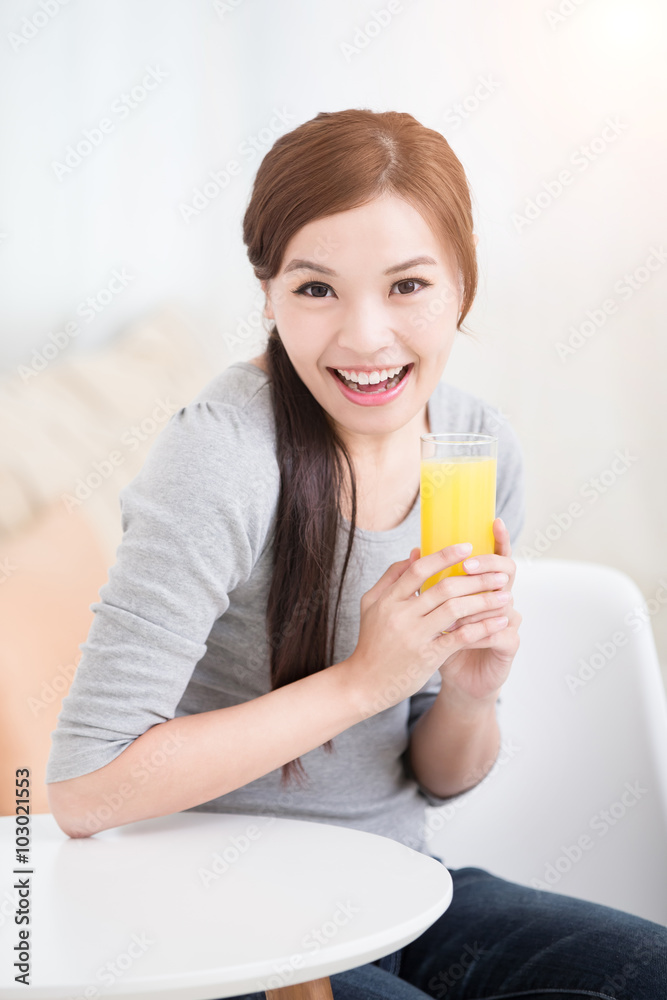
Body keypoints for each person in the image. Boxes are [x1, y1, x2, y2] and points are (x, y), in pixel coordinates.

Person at [46, 109, 667, 998]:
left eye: (407, 286)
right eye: (315, 289)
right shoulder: (221, 456)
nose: (365, 337)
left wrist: (466, 692)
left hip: (395, 890)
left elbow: (439, 776)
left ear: (463, 284)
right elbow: (83, 786)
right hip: (209, 925)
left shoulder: (472, 446)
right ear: (266, 294)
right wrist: (361, 681)